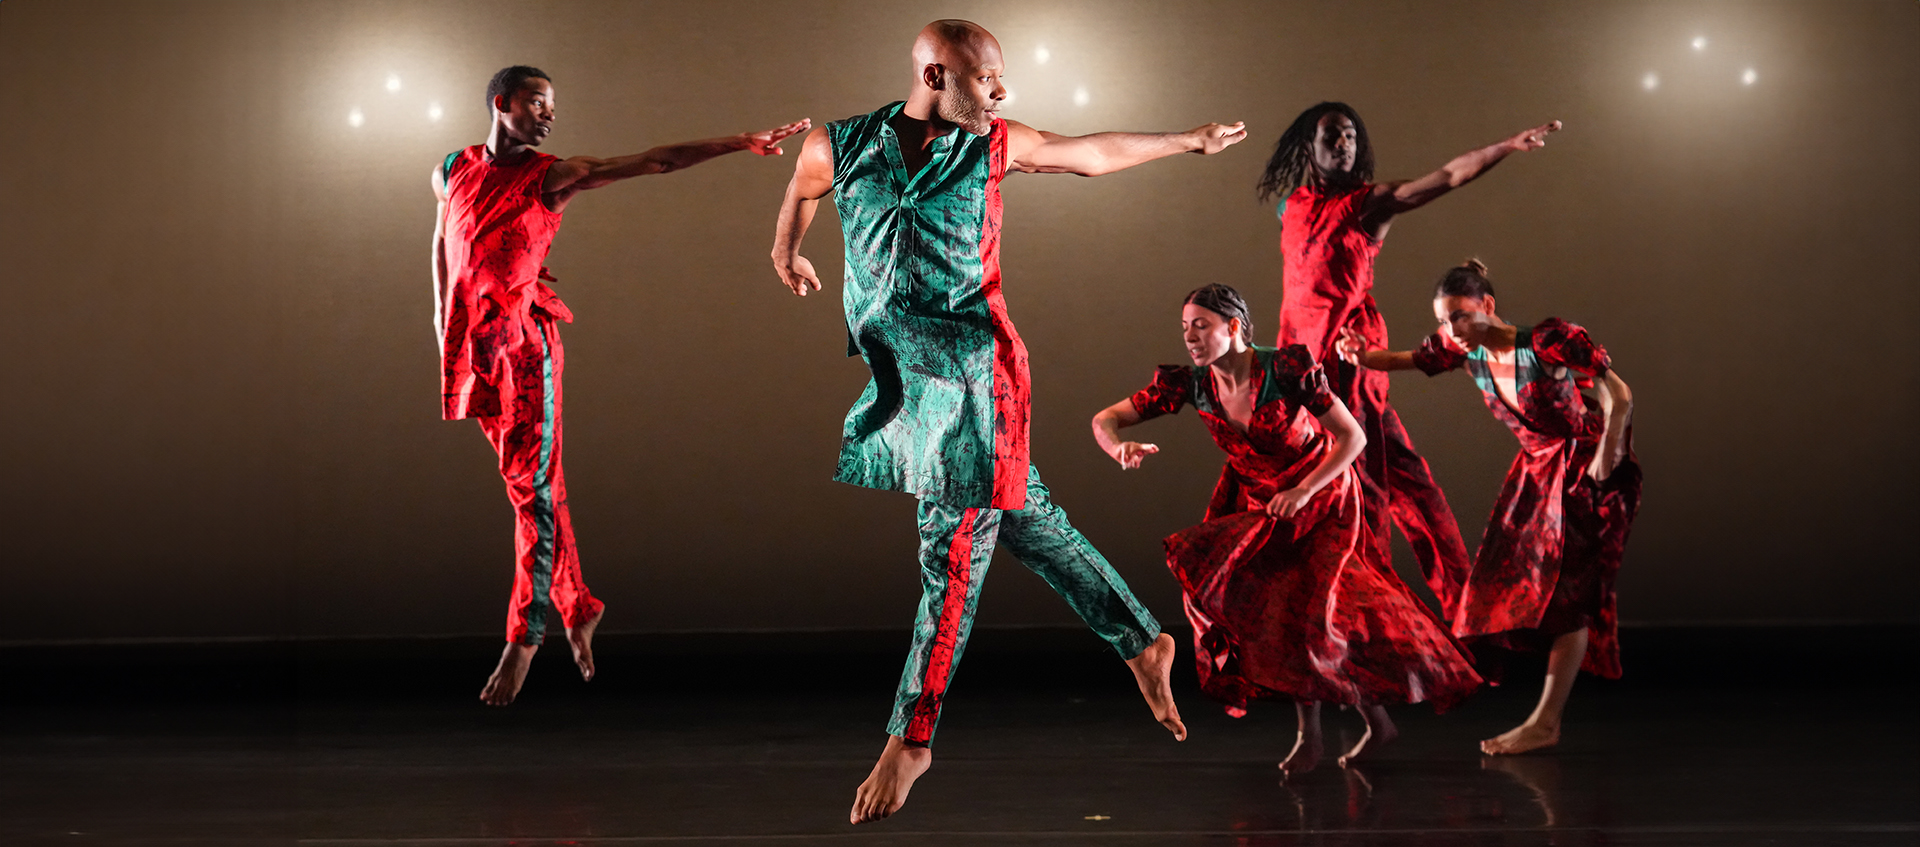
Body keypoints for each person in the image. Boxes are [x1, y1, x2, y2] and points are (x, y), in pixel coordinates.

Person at [769, 20, 1247, 823]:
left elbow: (1089, 152)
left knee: (950, 548)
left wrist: (1186, 141)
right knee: (1022, 514)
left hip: (980, 376)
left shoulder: (996, 145)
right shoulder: (839, 145)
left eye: (1000, 79)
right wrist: (786, 251)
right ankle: (1141, 637)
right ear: (933, 73)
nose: (1001, 93)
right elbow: (800, 192)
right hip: (909, 382)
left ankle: (912, 735)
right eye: (985, 79)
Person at [433, 65, 806, 706]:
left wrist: (738, 141)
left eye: (553, 106)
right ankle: (578, 606)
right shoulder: (451, 169)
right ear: (501, 104)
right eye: (536, 103)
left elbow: (655, 162)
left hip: (528, 350)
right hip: (478, 351)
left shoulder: (553, 177)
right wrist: (444, 331)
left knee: (533, 492)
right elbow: (444, 248)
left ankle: (525, 635)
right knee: (532, 488)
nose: (549, 115)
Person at [1092, 284, 1481, 775]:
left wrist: (1304, 491)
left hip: (1321, 496)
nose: (1190, 337)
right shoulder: (1191, 385)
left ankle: (1336, 731)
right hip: (1264, 505)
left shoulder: (1285, 368)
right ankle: (1349, 730)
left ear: (1233, 328)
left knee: (1313, 615)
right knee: (1282, 618)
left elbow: (1352, 438)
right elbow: (1105, 419)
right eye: (1185, 327)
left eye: (1201, 326)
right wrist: (1118, 448)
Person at [1258, 102, 1562, 623]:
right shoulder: (1291, 207)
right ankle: (1459, 612)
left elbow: (1445, 177)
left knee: (1367, 491)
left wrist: (1507, 147)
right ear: (1309, 144)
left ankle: (1382, 620)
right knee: (1394, 484)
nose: (1344, 144)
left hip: (1350, 361)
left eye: (1352, 135)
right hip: (1299, 367)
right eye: (1333, 135)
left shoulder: (1370, 204)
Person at [1337, 260, 1640, 755]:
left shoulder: (1546, 342)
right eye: (1444, 320)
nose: (1451, 329)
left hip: (1580, 467)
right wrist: (1362, 357)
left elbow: (1618, 394)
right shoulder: (1464, 350)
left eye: (1459, 316)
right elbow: (1410, 359)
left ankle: (1545, 721)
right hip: (1536, 474)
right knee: (1502, 590)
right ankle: (1528, 708)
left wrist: (1608, 458)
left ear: (1488, 306)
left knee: (1568, 598)